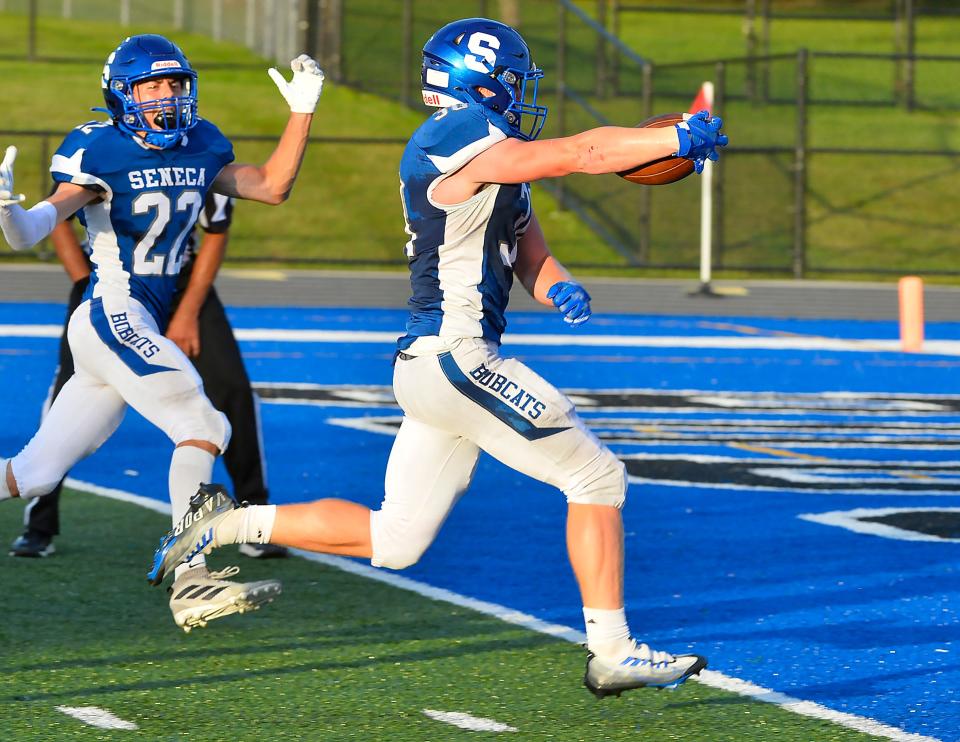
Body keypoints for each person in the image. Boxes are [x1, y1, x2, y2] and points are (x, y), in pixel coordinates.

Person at [146, 16, 726, 694]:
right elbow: (581, 154)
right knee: (596, 478)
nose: (520, 93)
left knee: (397, 539)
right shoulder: (458, 134)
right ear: (479, 82)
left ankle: (225, 521)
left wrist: (559, 285)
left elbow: (526, 248)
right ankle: (613, 650)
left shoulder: (490, 153)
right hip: (458, 357)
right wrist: (672, 136)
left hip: (430, 367)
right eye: (513, 80)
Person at [0, 33, 322, 631]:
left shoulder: (202, 143)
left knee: (35, 473)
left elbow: (271, 186)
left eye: (176, 83)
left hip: (132, 321)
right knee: (203, 423)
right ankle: (191, 579)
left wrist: (301, 111)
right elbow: (32, 230)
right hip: (114, 312)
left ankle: (190, 572)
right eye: (153, 84)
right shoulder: (100, 149)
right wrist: (6, 210)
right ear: (122, 93)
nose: (167, 96)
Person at [9, 193, 287, 561]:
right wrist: (82, 278)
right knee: (63, 410)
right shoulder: (99, 145)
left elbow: (227, 220)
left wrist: (187, 312)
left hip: (178, 285)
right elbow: (52, 217)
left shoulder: (202, 145)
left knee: (230, 392)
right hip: (112, 292)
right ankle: (40, 523)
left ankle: (247, 521)